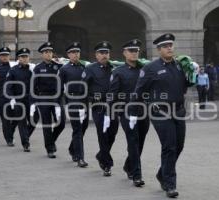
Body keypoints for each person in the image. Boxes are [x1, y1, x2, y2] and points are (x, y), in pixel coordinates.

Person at [129, 33, 192, 198]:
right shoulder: (150, 68)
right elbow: (139, 91)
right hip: (160, 112)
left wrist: (194, 74)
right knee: (169, 146)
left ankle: (163, 173)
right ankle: (169, 185)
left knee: (179, 146)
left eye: (171, 45)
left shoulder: (179, 65)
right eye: (165, 46)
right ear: (158, 50)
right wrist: (134, 113)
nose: (169, 48)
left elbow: (184, 86)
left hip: (178, 111)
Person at [106, 39, 150, 187]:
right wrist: (110, 113)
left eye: (136, 51)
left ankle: (128, 166)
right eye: (131, 51)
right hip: (126, 112)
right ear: (124, 53)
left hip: (143, 111)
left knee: (141, 142)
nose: (134, 53)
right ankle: (136, 175)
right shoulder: (118, 72)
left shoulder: (144, 70)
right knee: (133, 141)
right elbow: (112, 94)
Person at [82, 41, 119, 176]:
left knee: (113, 133)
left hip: (113, 106)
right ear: (96, 55)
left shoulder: (114, 68)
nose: (104, 55)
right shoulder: (90, 68)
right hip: (99, 106)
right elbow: (83, 87)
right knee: (102, 134)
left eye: (107, 53)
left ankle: (101, 154)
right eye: (102, 53)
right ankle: (106, 164)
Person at [30, 42, 66, 158]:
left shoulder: (59, 66)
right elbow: (33, 86)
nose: (49, 54)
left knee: (61, 123)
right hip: (43, 98)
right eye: (46, 52)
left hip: (57, 98)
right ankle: (49, 149)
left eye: (50, 52)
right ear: (42, 54)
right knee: (47, 124)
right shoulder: (38, 68)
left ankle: (51, 141)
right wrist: (33, 102)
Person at [58, 42, 89, 167]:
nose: (76, 54)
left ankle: (72, 148)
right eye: (73, 52)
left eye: (77, 52)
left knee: (84, 127)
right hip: (72, 100)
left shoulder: (85, 67)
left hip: (84, 100)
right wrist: (59, 104)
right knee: (77, 129)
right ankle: (80, 158)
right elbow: (59, 87)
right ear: (68, 55)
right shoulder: (64, 69)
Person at [6, 48, 34, 152]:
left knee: (34, 120)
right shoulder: (13, 70)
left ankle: (25, 135)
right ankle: (25, 143)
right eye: (22, 57)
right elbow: (8, 85)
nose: (25, 58)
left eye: (26, 56)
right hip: (18, 99)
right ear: (18, 58)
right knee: (21, 122)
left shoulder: (32, 69)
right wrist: (11, 98)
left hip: (30, 99)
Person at [0, 47, 16, 146]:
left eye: (6, 55)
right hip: (2, 98)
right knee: (5, 119)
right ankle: (9, 139)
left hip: (14, 97)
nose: (5, 57)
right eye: (3, 55)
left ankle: (11, 133)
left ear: (9, 56)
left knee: (16, 118)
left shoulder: (14, 66)